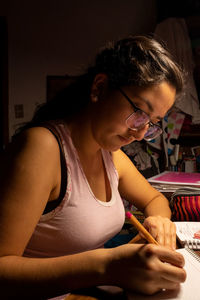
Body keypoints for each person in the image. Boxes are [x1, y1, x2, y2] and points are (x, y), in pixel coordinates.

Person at [0, 35, 186, 299]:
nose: (141, 132)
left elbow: (155, 198)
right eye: (140, 112)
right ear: (99, 88)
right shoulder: (42, 148)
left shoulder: (111, 154)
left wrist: (160, 222)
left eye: (152, 122)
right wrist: (107, 266)